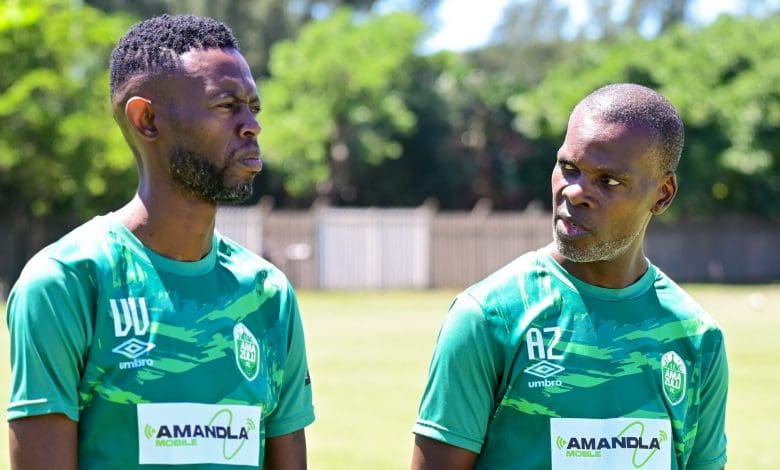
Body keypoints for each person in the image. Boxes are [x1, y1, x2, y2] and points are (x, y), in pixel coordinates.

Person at [6, 14, 314, 469]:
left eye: (254, 107)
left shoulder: (267, 294)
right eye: (227, 106)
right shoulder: (67, 284)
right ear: (147, 119)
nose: (252, 125)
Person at [411, 83, 728, 470]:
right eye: (569, 168)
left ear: (662, 194)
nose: (575, 192)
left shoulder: (696, 338)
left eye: (608, 181)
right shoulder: (487, 318)